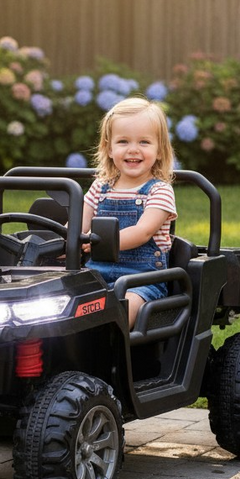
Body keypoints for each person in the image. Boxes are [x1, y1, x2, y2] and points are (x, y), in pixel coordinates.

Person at [81, 97, 178, 329]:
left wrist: (98, 243)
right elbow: (78, 225)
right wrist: (65, 240)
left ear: (160, 150)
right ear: (109, 148)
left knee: (126, 304)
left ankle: (111, 355)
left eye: (144, 142)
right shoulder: (99, 188)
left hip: (142, 282)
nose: (133, 149)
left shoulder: (160, 191)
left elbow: (142, 232)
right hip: (96, 275)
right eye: (123, 141)